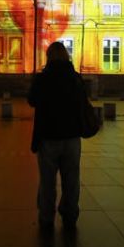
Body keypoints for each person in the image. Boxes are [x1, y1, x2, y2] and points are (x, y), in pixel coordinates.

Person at [26, 41, 84, 233]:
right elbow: (83, 102)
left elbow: (32, 101)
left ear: (48, 57)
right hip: (71, 136)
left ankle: (46, 217)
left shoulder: (42, 79)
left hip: (48, 136)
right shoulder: (75, 78)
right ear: (66, 56)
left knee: (47, 180)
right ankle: (70, 215)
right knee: (71, 179)